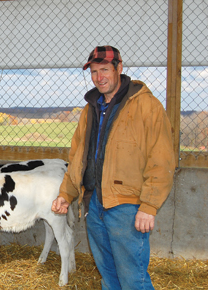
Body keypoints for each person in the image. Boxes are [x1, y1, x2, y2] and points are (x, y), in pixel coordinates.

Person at [51, 46, 175, 290]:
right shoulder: (91, 109)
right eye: (94, 72)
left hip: (128, 205)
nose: (100, 77)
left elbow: (161, 159)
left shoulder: (146, 106)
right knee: (107, 273)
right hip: (95, 202)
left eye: (105, 70)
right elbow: (78, 156)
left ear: (119, 68)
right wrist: (67, 194)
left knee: (132, 278)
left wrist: (149, 206)